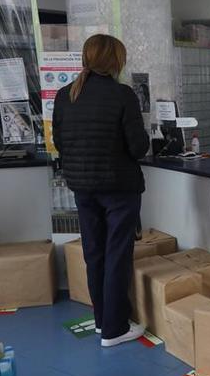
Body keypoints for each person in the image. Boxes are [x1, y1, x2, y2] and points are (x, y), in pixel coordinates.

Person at [52, 34, 149, 348]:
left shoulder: (65, 95)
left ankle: (101, 322)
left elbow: (60, 142)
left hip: (82, 187)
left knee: (94, 254)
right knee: (117, 256)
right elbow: (138, 147)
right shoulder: (123, 95)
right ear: (114, 61)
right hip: (119, 188)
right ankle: (115, 328)